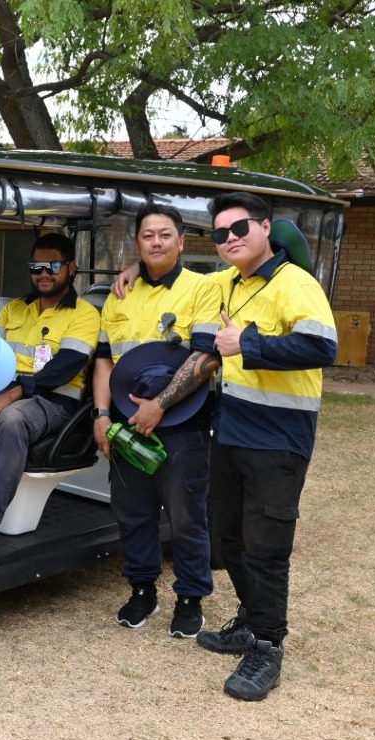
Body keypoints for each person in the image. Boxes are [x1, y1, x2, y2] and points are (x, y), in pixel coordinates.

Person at [194, 192, 337, 700]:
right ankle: (251, 622)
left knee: (266, 546)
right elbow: (175, 277)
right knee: (229, 537)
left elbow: (323, 346)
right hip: (231, 431)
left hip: (278, 438)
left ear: (265, 228)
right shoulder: (227, 283)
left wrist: (247, 344)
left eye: (240, 228)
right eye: (220, 234)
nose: (230, 239)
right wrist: (127, 273)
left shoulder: (295, 282)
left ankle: (268, 647)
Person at [91, 204, 222, 638]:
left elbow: (206, 357)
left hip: (183, 424)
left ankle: (190, 597)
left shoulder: (203, 288)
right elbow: (105, 359)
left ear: (181, 242)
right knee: (133, 512)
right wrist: (102, 415)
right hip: (126, 424)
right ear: (138, 243)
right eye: (148, 235)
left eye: (165, 234)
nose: (156, 242)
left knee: (186, 516)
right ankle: (142, 590)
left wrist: (160, 404)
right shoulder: (120, 293)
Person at [0, 233, 100, 554]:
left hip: (55, 401)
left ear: (71, 268)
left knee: (12, 419)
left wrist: (10, 395)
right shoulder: (15, 308)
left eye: (53, 266)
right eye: (36, 266)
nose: (43, 273)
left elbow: (64, 367)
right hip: (3, 389)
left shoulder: (85, 314)